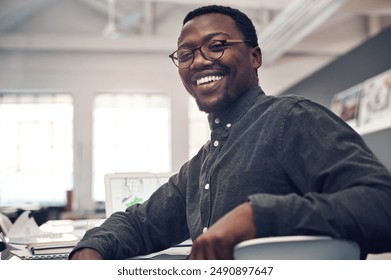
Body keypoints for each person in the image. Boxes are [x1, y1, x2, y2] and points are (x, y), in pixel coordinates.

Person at [70, 5, 391, 260]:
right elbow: (140, 223)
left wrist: (257, 216)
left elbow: (382, 206)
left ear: (255, 56)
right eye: (186, 54)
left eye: (217, 46)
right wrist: (91, 250)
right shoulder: (202, 164)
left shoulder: (292, 118)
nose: (199, 61)